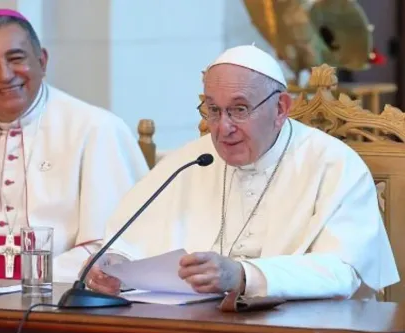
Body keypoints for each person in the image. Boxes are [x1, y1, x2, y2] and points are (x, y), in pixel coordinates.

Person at [86, 45, 399, 303]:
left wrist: (243, 275)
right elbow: (128, 243)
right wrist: (114, 269)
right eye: (213, 109)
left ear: (281, 109)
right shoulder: (192, 160)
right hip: (194, 329)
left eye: (239, 109)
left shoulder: (333, 163)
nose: (223, 128)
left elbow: (343, 270)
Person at [0, 8, 149, 284]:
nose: (4, 74)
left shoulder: (96, 129)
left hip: (62, 299)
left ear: (42, 61)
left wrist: (30, 276)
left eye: (16, 59)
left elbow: (117, 247)